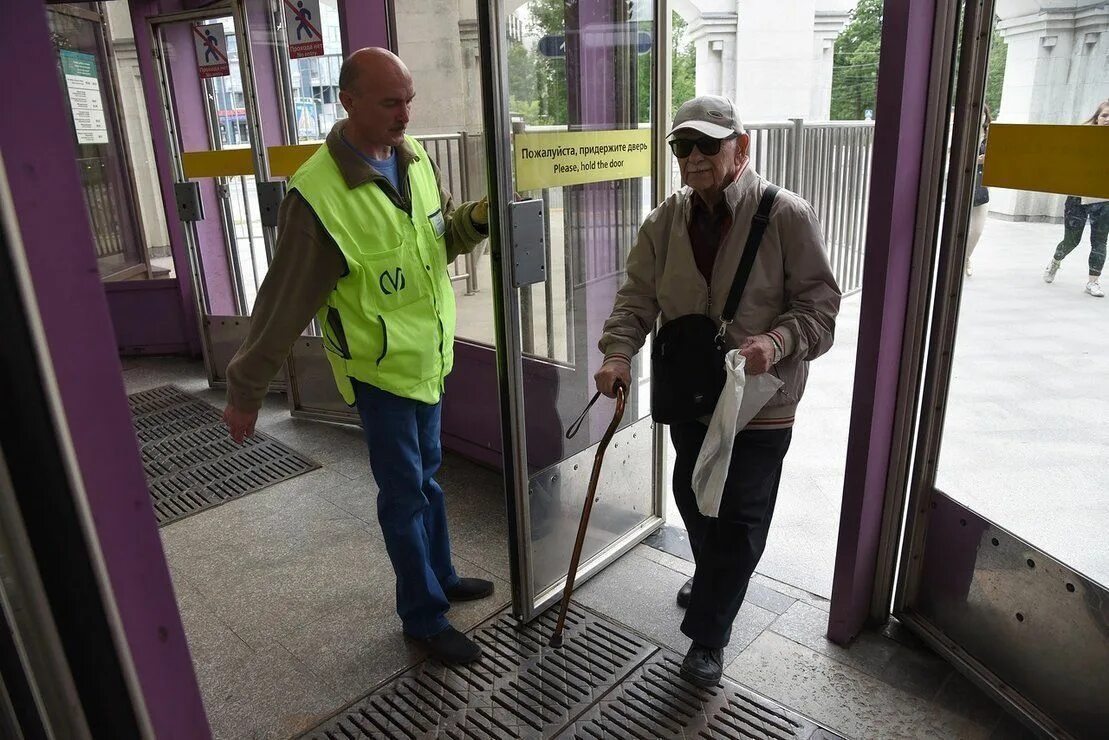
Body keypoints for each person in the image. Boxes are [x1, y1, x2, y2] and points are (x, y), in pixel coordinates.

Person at [222, 48, 493, 665]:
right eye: (390, 102)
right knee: (404, 494)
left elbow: (436, 240)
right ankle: (423, 617)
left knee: (428, 478)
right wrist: (244, 389)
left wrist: (474, 222)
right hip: (379, 372)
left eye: (410, 99)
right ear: (348, 100)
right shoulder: (317, 196)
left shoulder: (413, 158)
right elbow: (283, 304)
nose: (406, 114)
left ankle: (443, 576)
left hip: (427, 358)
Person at [594, 96, 841, 687]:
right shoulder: (663, 222)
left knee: (740, 519)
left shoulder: (786, 216)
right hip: (693, 393)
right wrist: (617, 354)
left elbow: (821, 311)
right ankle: (714, 579)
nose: (695, 157)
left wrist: (775, 344)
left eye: (709, 144)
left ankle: (708, 635)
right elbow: (636, 300)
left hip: (762, 402)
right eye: (683, 146)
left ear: (741, 147)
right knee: (691, 491)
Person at [1042, 99, 1109, 298]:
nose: (1108, 120)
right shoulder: (1081, 138)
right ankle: (1056, 261)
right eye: (1104, 115)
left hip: (1104, 200)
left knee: (1099, 242)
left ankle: (1093, 282)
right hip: (1077, 198)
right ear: (1096, 118)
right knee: (1071, 240)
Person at [965, 105, 991, 277]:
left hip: (981, 186)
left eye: (982, 113)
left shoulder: (992, 135)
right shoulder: (964, 132)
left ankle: (965, 258)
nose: (979, 116)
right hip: (963, 184)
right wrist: (976, 160)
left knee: (977, 229)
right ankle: (960, 260)